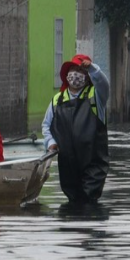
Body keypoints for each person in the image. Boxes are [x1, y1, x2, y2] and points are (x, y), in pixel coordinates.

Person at [42, 54, 111, 204]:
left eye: (80, 70)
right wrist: (50, 143)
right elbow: (46, 125)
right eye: (72, 69)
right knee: (72, 203)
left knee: (88, 202)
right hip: (67, 165)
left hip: (93, 165)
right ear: (67, 75)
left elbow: (104, 85)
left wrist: (93, 69)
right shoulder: (57, 100)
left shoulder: (96, 97)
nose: (75, 74)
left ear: (87, 77)